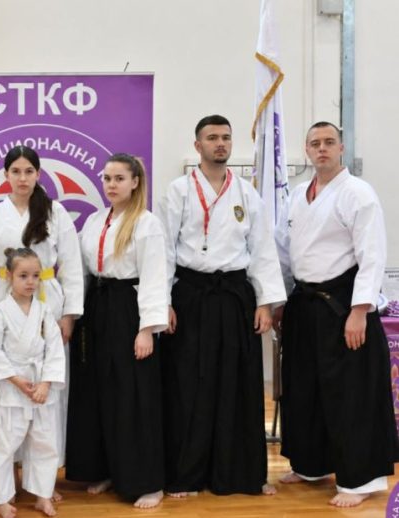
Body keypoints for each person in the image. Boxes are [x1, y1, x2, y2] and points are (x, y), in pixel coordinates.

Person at [159, 115, 286, 496]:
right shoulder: (178, 191)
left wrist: (265, 302)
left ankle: (241, 475)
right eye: (212, 137)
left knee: (237, 384)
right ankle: (187, 474)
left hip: (234, 295)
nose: (220, 143)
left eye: (226, 138)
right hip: (191, 295)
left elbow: (262, 250)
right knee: (188, 385)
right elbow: (163, 250)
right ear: (197, 145)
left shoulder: (247, 193)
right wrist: (163, 301)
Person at [274, 121, 398, 507]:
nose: (322, 148)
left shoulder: (358, 193)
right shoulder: (297, 195)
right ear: (306, 150)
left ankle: (361, 479)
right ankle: (310, 464)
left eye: (329, 142)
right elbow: (283, 251)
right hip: (304, 301)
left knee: (350, 392)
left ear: (341, 148)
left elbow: (372, 254)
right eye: (315, 143)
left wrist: (360, 311)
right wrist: (280, 300)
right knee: (304, 387)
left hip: (343, 302)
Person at [0, 144, 83, 498]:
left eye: (29, 171)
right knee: (6, 397)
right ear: (5, 175)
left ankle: (42, 482)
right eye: (15, 171)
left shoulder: (55, 212)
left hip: (47, 303)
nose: (22, 177)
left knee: (47, 397)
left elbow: (72, 266)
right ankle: (8, 478)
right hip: (4, 301)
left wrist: (69, 315)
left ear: (38, 174)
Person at [65, 153, 167, 509]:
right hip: (97, 306)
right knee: (99, 391)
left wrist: (147, 330)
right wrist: (72, 312)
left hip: (128, 308)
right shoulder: (96, 220)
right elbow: (79, 268)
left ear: (135, 182)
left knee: (133, 395)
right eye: (107, 178)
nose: (111, 185)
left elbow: (154, 277)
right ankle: (106, 469)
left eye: (119, 178)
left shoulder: (146, 223)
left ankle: (147, 481)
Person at [0, 247, 65, 518]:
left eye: (35, 276)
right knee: (3, 446)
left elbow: (54, 349)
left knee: (44, 443)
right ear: (9, 276)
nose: (30, 282)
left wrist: (46, 383)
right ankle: (2, 499)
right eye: (23, 276)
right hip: (11, 386)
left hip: (40, 388)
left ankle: (43, 495)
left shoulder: (44, 311)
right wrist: (17, 380)